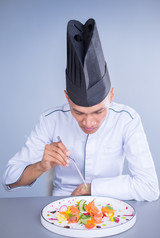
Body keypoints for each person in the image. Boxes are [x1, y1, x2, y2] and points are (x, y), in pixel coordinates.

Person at [2, 18, 159, 201]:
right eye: (78, 112)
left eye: (99, 112)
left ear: (112, 96)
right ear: (68, 99)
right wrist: (41, 166)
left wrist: (92, 189)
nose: (89, 122)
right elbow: (8, 181)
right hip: (62, 207)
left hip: (110, 207)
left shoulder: (127, 120)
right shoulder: (50, 120)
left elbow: (150, 188)